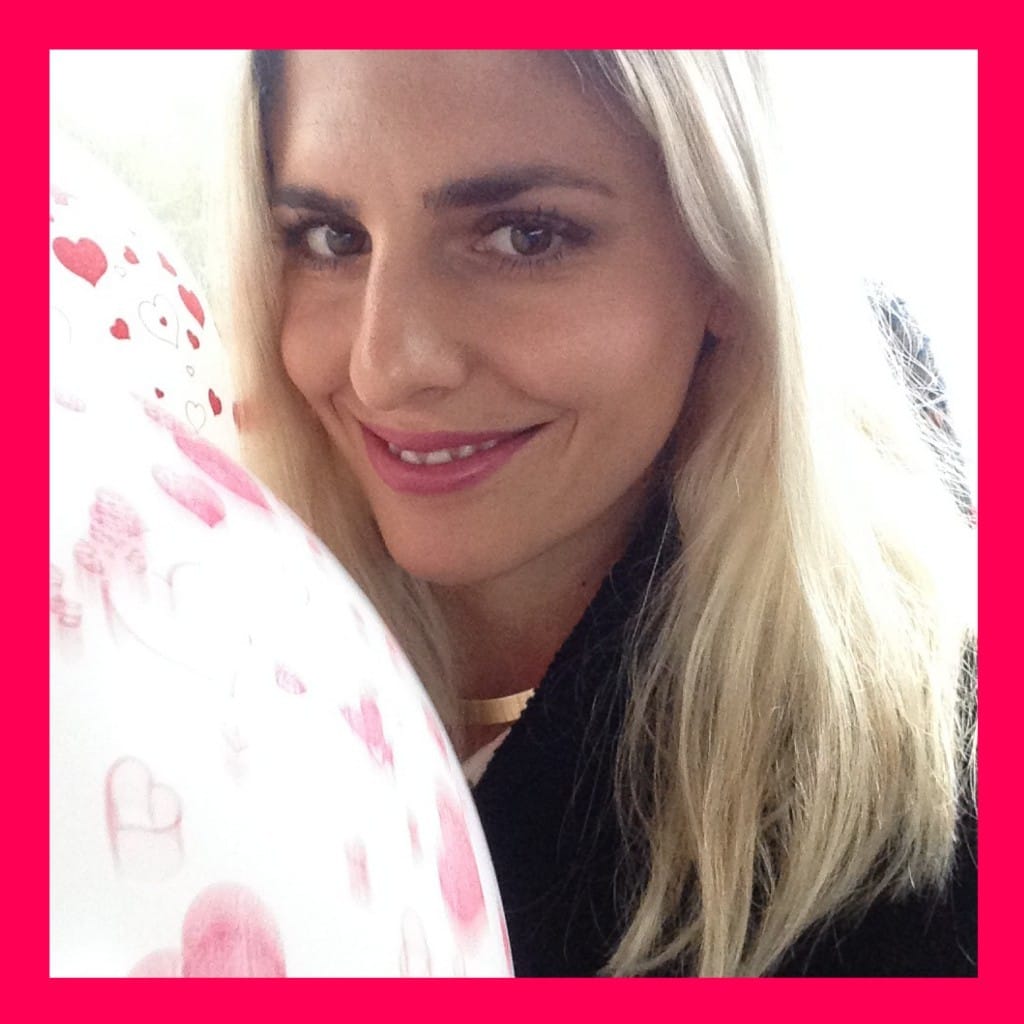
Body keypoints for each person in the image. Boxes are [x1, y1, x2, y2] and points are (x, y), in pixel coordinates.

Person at [218, 50, 977, 977]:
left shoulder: (938, 844)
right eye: (333, 238)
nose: (385, 368)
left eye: (525, 237)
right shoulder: (196, 646)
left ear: (726, 265)